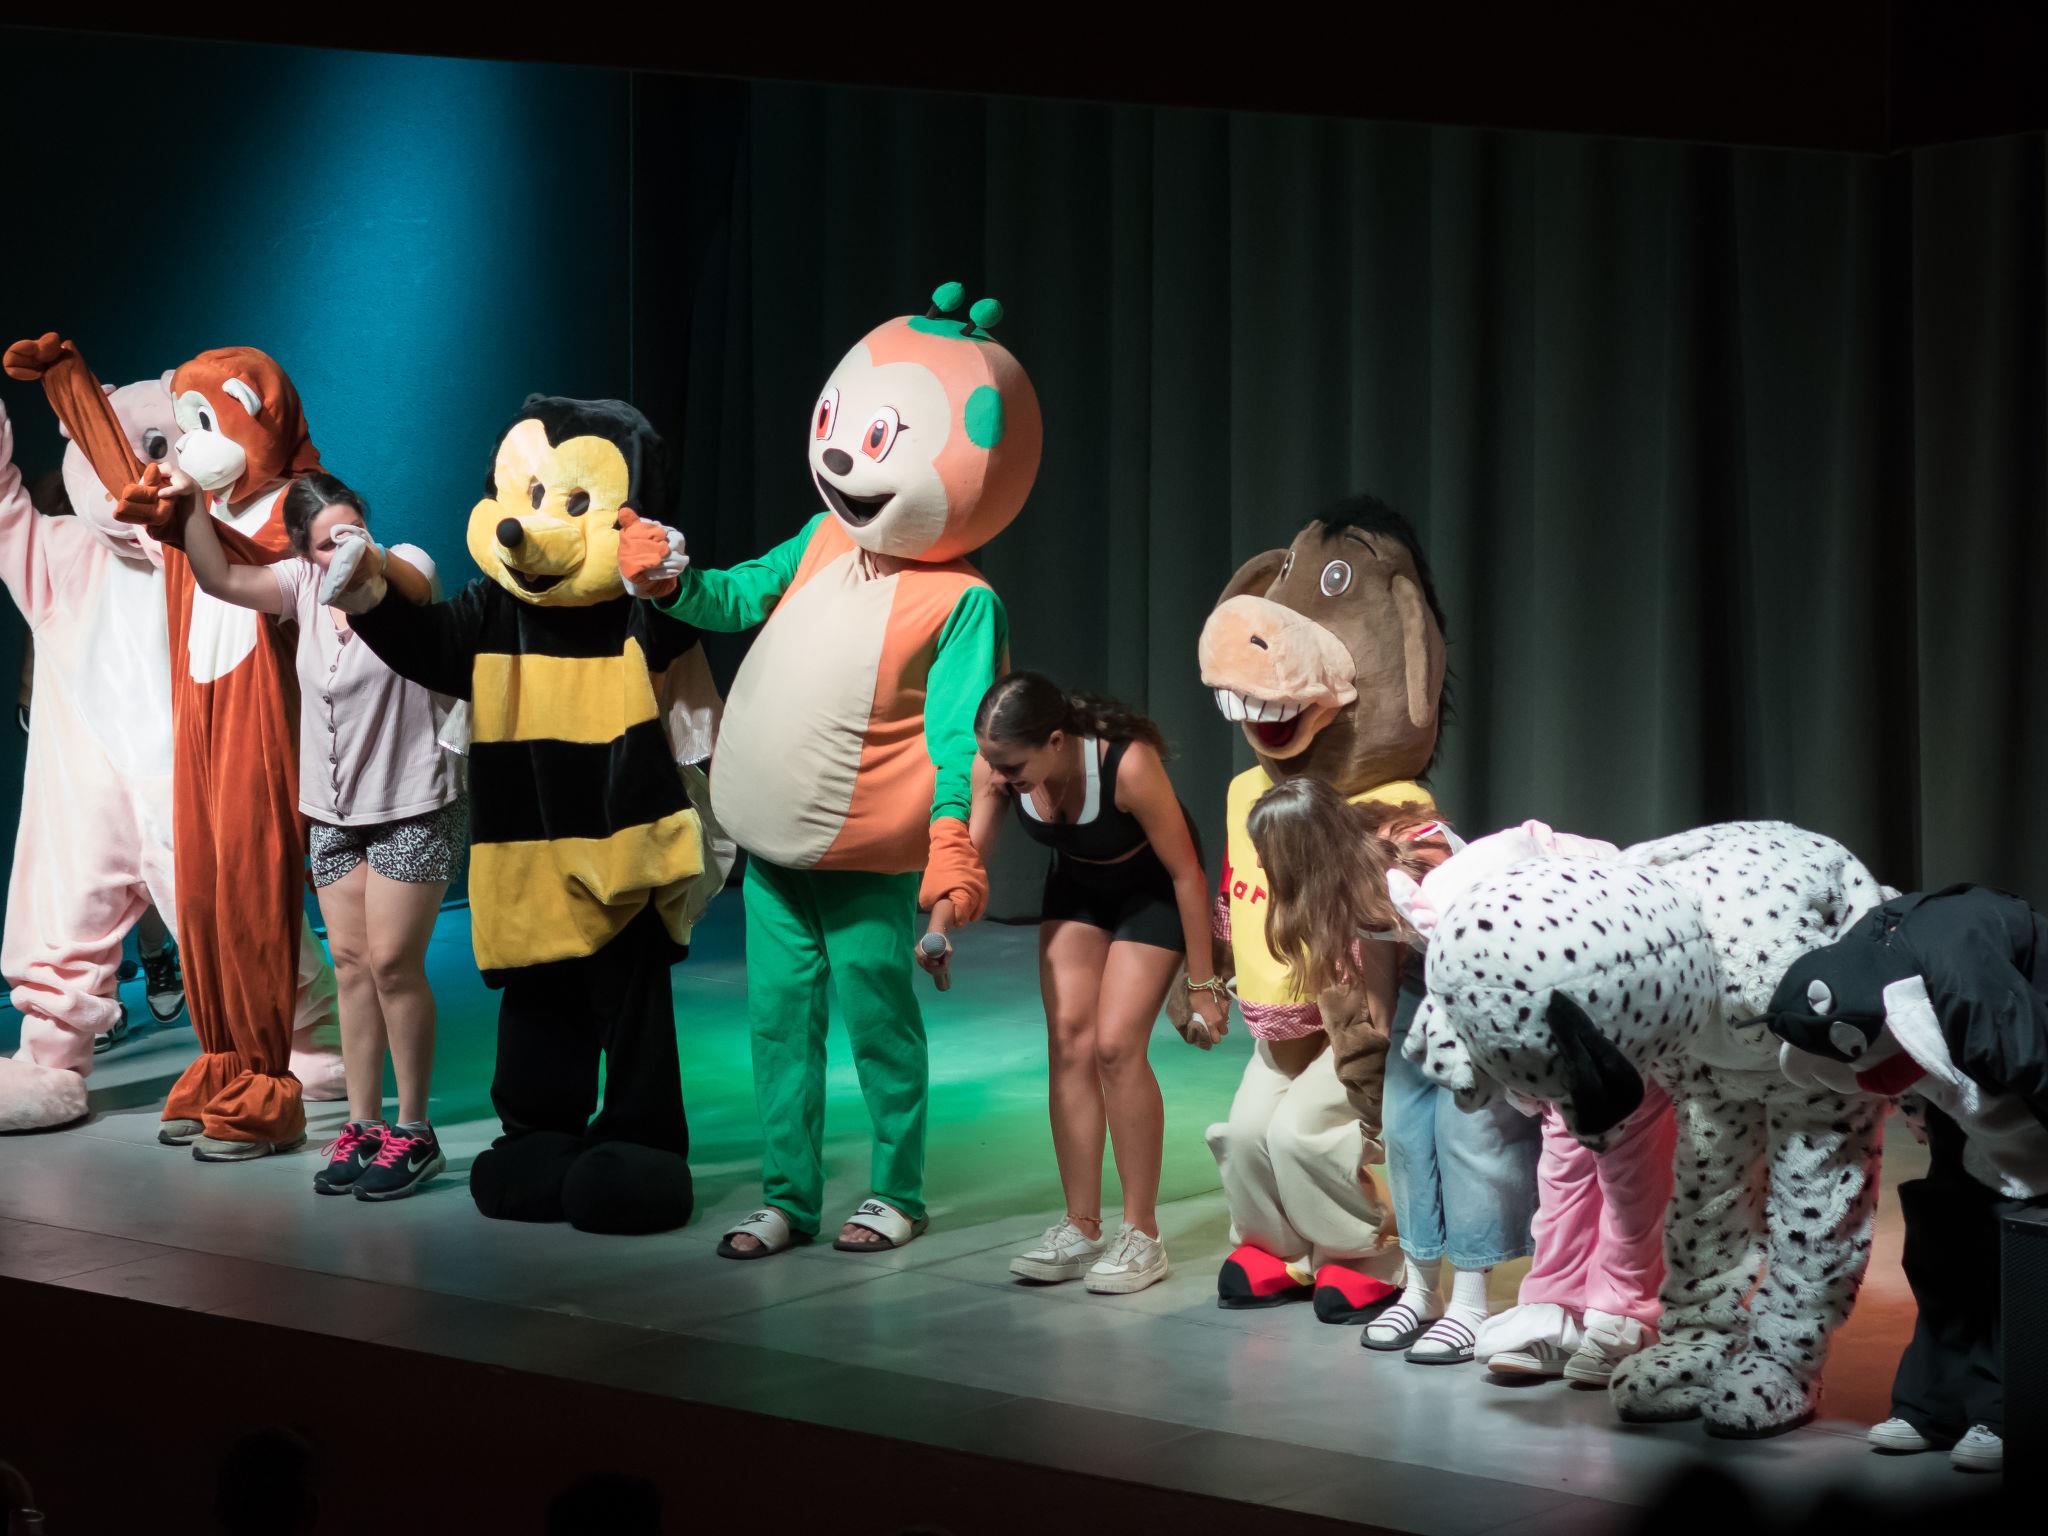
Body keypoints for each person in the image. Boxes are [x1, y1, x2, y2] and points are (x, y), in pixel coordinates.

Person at [178, 468, 463, 1200]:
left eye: (352, 530)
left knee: (394, 963)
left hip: (411, 802)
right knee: (353, 965)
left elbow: (414, 583)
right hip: (334, 814)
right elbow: (217, 578)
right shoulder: (300, 586)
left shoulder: (405, 564)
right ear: (303, 551)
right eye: (328, 541)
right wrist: (190, 507)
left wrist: (364, 554)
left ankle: (415, 1129)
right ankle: (363, 1125)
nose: (343, 547)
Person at [1248, 775, 1541, 1363]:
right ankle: (1422, 1289)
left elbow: (1488, 946)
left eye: (1267, 853)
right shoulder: (1348, 875)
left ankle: (1471, 1304)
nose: (1260, 865)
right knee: (1406, 1129)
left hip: (1486, 971)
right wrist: (1387, 1035)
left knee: (1466, 1131)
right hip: (1421, 976)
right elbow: (1379, 940)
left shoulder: (1417, 856)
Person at [951, 672, 1223, 1294]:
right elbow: (971, 859)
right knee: (1069, 1041)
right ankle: (1080, 1226)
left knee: (1116, 1046)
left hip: (1151, 892)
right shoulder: (998, 766)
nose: (1000, 776)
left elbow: (1186, 873)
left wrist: (1204, 982)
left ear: (1055, 741)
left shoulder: (1127, 764)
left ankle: (1142, 1235)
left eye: (1012, 765)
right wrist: (940, 926)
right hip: (1078, 888)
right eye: (993, 762)